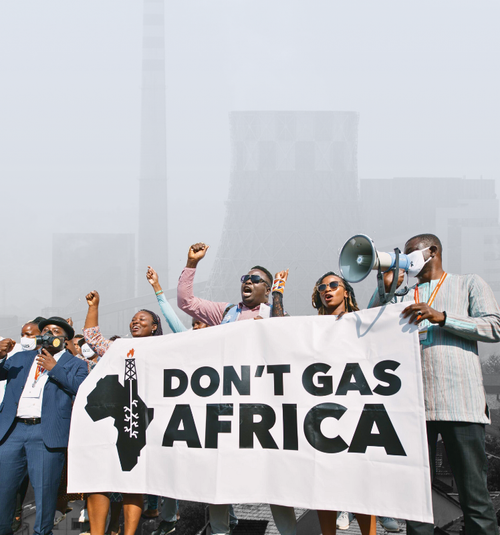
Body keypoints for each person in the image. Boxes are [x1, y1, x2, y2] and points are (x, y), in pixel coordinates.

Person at [371, 233, 500, 535]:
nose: (406, 260)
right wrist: (385, 288)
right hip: (414, 410)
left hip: (461, 405)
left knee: (474, 498)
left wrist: (443, 317)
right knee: (416, 503)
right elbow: (370, 326)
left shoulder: (468, 283)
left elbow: (494, 326)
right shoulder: (403, 295)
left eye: (410, 253)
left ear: (432, 251)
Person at [177, 242, 296, 535]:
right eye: (245, 278)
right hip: (227, 404)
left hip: (262, 407)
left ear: (267, 289)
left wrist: (277, 301)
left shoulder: (274, 313)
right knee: (221, 474)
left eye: (256, 279)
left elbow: (287, 338)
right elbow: (186, 302)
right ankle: (219, 531)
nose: (248, 282)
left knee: (273, 476)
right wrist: (191, 264)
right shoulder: (226, 312)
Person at [83, 290, 165, 535]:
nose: (135, 322)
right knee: (101, 480)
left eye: (142, 319)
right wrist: (94, 306)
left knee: (133, 481)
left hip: (145, 423)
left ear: (154, 327)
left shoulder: (166, 349)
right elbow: (92, 338)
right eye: (133, 319)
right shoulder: (119, 348)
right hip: (114, 423)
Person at [0, 316, 89, 535]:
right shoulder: (21, 357)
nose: (49, 333)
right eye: (46, 330)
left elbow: (81, 389)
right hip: (13, 430)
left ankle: (42, 532)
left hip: (46, 432)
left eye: (55, 331)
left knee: (45, 491)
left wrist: (55, 368)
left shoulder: (76, 364)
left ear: (65, 339)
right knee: (4, 489)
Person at [311, 272, 376, 535]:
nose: (327, 289)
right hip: (323, 414)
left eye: (333, 285)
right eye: (322, 287)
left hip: (356, 410)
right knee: (323, 484)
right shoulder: (311, 329)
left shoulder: (364, 323)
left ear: (346, 291)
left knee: (360, 483)